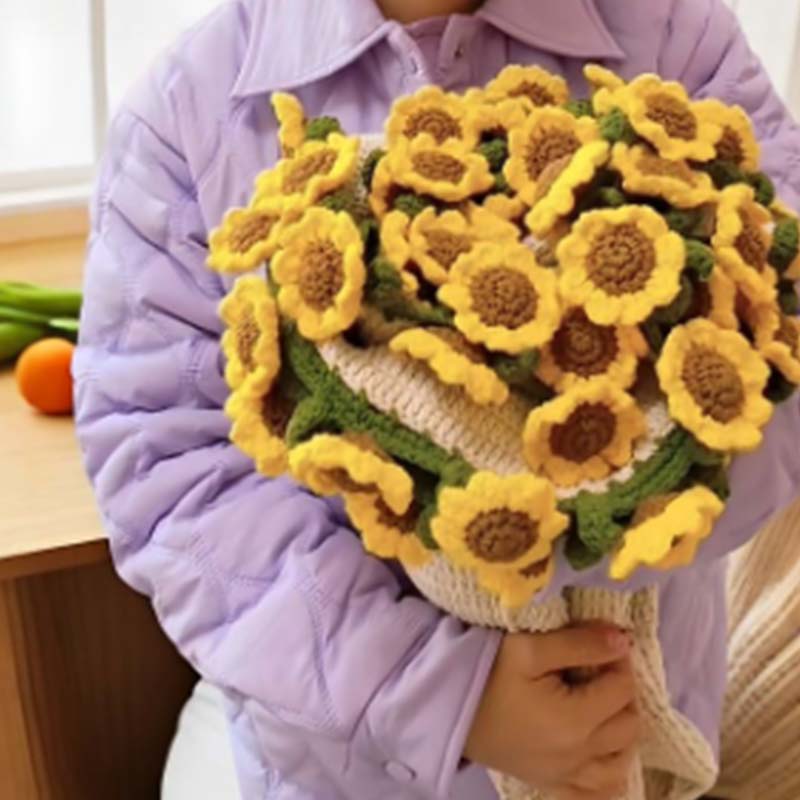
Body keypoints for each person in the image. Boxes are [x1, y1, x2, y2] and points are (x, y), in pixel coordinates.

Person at [72, 0, 800, 798]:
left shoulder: (675, 35)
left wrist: (603, 523)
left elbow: (785, 348)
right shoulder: (187, 113)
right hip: (348, 774)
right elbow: (170, 469)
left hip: (643, 740)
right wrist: (439, 691)